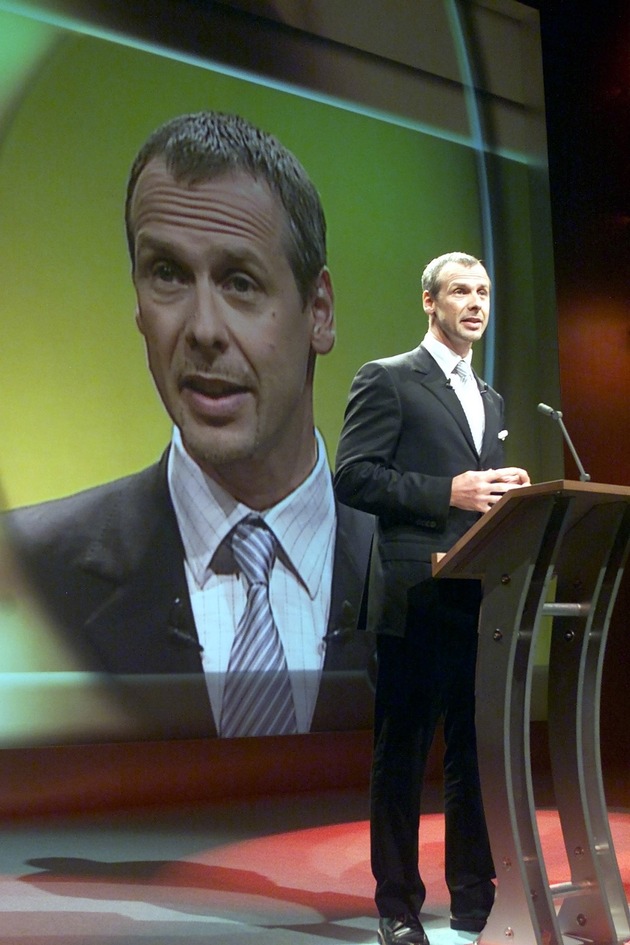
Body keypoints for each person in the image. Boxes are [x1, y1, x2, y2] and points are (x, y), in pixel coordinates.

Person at [6, 111, 374, 740]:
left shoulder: (427, 577)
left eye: (239, 282)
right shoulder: (25, 574)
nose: (202, 330)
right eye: (168, 274)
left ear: (319, 312)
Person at [334, 252, 530, 945]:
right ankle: (397, 904)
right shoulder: (387, 379)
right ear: (429, 300)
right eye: (459, 290)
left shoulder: (493, 397)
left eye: (483, 290)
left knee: (471, 753)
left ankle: (475, 896)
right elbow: (353, 476)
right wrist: (447, 490)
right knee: (402, 754)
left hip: (478, 591)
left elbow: (476, 494)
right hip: (413, 594)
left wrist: (504, 494)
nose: (475, 302)